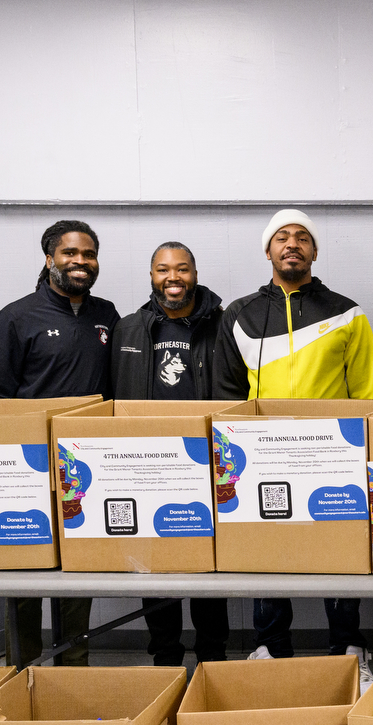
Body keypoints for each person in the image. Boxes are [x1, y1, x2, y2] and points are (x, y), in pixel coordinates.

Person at [214, 209, 373, 689]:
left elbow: (368, 393)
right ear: (268, 251)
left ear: (313, 251)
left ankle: (348, 649)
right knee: (268, 551)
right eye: (282, 237)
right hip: (260, 457)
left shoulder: (347, 312)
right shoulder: (240, 315)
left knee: (337, 553)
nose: (292, 243)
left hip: (333, 455)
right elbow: (227, 395)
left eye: (303, 237)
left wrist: (364, 453)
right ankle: (271, 649)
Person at [0, 219, 118, 666]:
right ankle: (20, 675)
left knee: (76, 577)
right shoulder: (17, 317)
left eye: (88, 254)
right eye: (70, 253)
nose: (80, 262)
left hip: (82, 471)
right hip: (29, 471)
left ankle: (72, 673)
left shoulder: (107, 315)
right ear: (49, 258)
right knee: (23, 581)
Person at [110, 241, 230, 668]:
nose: (172, 277)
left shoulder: (224, 324)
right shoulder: (128, 329)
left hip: (204, 461)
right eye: (163, 269)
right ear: (151, 276)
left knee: (205, 564)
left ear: (195, 274)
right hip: (145, 462)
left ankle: (213, 657)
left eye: (181, 268)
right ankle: (165, 659)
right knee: (155, 564)